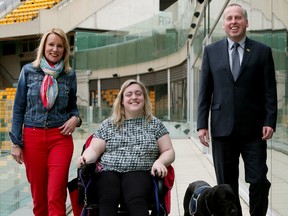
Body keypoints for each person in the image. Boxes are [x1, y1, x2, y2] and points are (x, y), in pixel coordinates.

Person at [197, 3, 277, 216]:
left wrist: (270, 120)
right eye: (229, 18)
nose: (233, 22)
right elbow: (205, 91)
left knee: (259, 179)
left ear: (246, 22)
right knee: (226, 185)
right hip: (222, 130)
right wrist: (201, 125)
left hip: (254, 130)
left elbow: (270, 91)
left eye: (238, 18)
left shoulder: (262, 52)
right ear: (223, 25)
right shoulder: (211, 52)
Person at [9, 28, 82, 216]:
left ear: (65, 50)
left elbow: (73, 107)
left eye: (60, 46)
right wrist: (16, 143)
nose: (55, 49)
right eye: (51, 44)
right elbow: (18, 108)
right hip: (32, 139)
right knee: (39, 200)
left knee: (56, 196)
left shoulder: (69, 75)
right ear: (44, 47)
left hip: (60, 138)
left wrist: (76, 118)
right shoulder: (29, 71)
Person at [77, 79, 175, 216]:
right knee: (107, 198)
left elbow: (168, 151)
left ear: (144, 99)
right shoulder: (108, 124)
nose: (134, 97)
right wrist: (85, 158)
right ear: (122, 100)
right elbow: (94, 149)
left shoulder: (155, 124)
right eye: (129, 94)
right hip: (109, 171)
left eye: (138, 93)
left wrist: (160, 162)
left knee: (135, 199)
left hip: (140, 170)